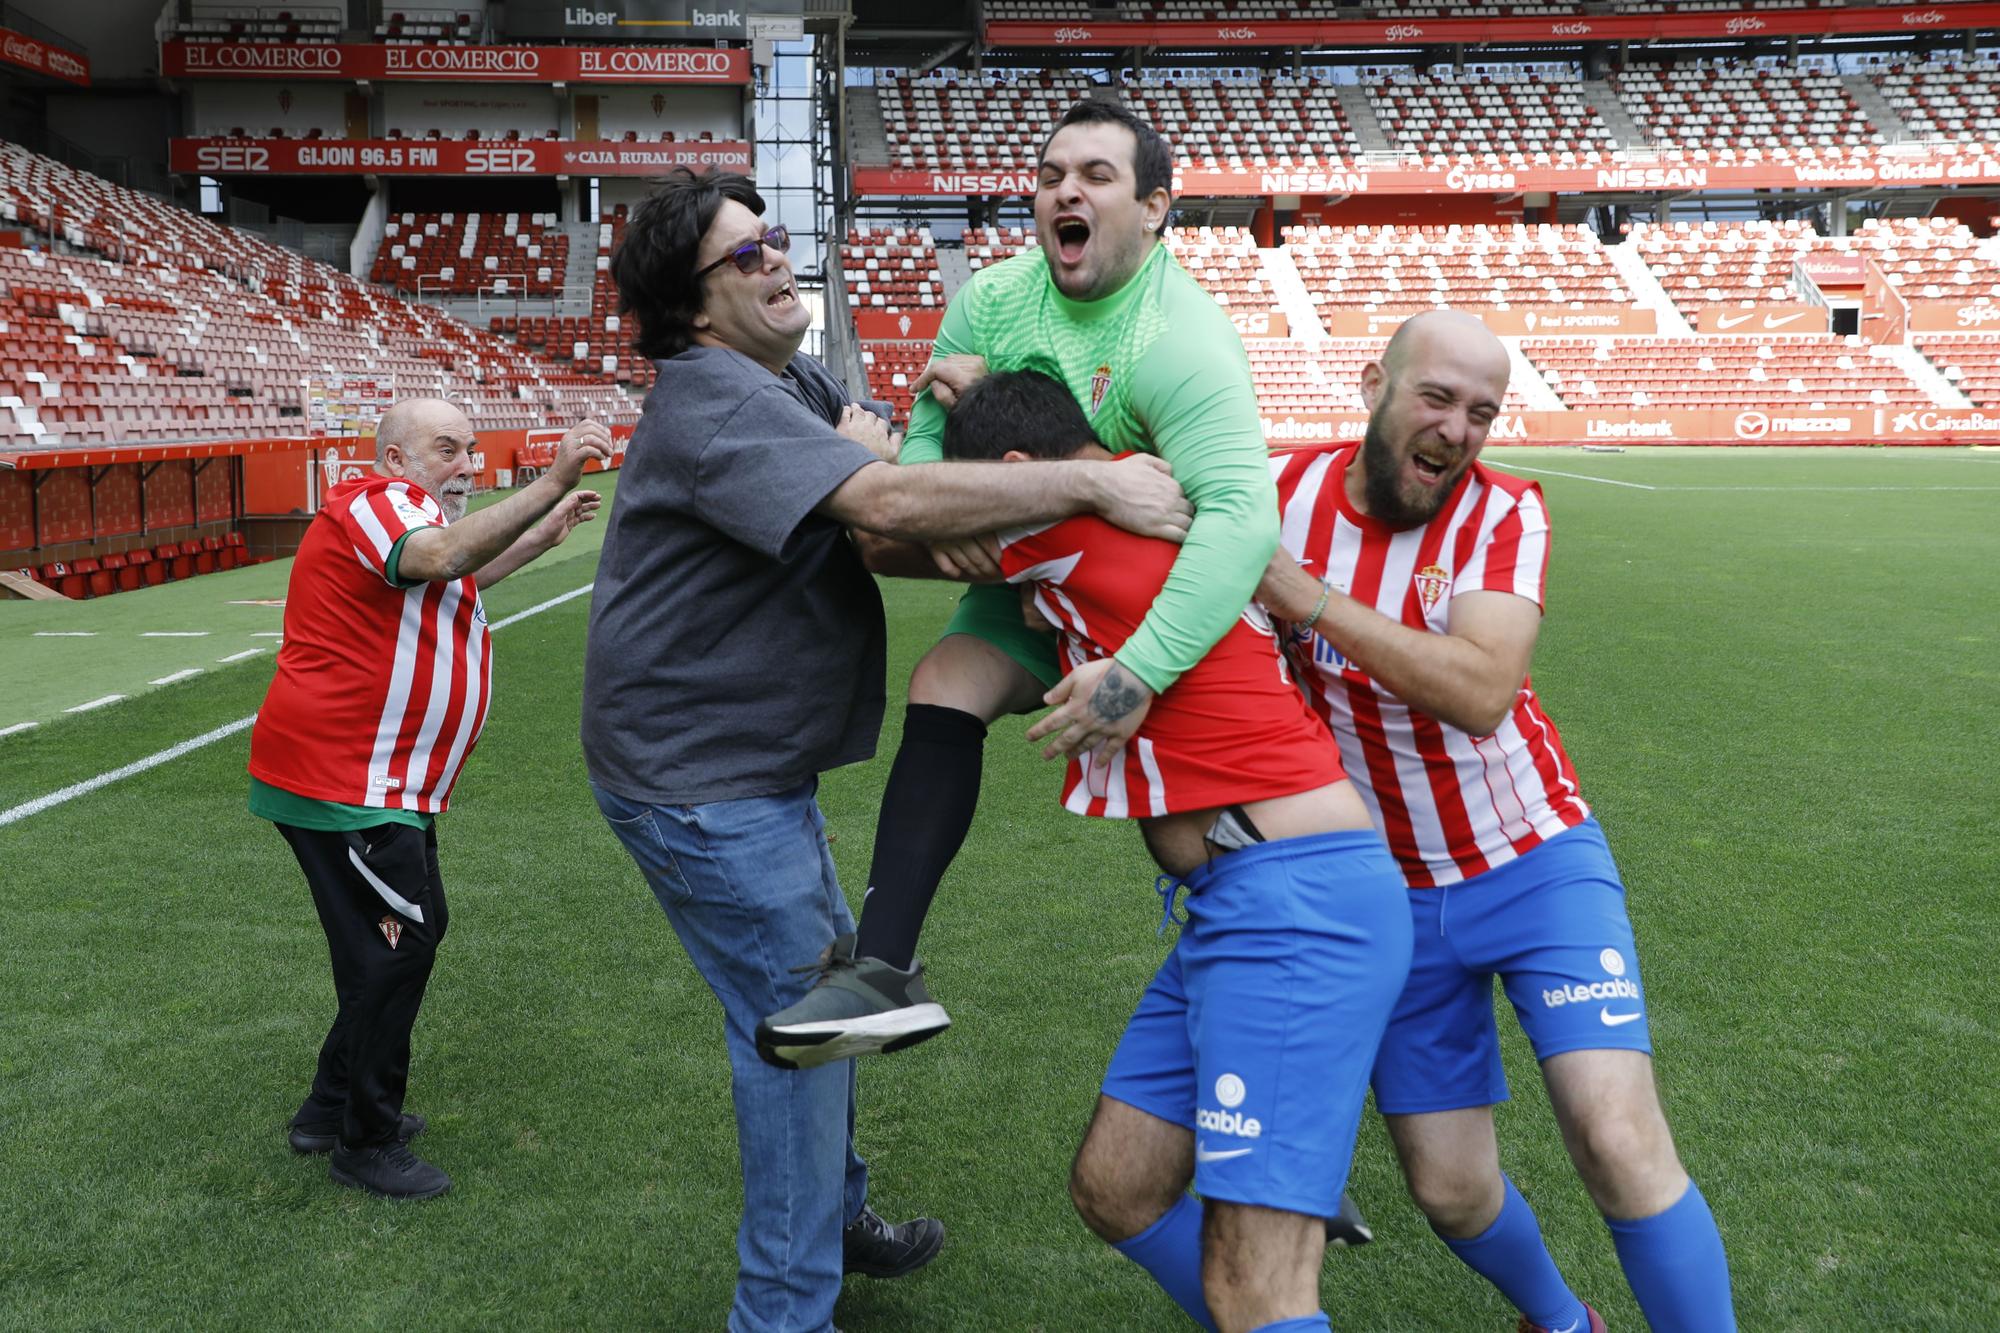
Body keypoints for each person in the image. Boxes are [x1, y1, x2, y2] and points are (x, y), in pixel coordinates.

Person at [579, 168, 1193, 1333]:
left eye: (770, 241)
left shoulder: (781, 377)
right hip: (698, 779)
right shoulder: (713, 393)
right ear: (692, 304)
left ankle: (834, 1219)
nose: (773, 261)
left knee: (824, 996)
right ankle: (784, 1311)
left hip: (742, 763)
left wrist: (942, 480)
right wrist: (1085, 482)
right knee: (807, 1030)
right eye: (743, 255)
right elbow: (888, 508)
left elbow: (885, 510)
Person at [760, 98, 1281, 1069]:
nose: (1064, 192)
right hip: (1031, 576)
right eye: (1049, 176)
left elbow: (1241, 522)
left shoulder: (1181, 339)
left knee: (1182, 837)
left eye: (1095, 176)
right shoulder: (991, 302)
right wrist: (958, 499)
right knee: (945, 678)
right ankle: (882, 973)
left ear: (1157, 207)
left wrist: (1137, 673)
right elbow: (913, 462)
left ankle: (1294, 996)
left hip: (1149, 602)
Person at [1256, 310, 1736, 1332]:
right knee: (1447, 1187)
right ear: (1371, 385)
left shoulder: (1501, 513)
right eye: (1434, 397)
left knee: (1614, 1136)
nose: (1457, 428)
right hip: (1387, 895)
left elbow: (1478, 689)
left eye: (1482, 410)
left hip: (1533, 864)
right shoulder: (1275, 496)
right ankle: (1563, 1323)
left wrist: (1311, 603)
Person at [929, 369, 1411, 1333]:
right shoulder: (1137, 503)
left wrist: (873, 438)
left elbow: (891, 529)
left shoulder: (1066, 517)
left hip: (1292, 904)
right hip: (1246, 897)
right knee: (1117, 1185)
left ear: (1022, 473)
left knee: (1256, 1281)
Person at [249, 397, 608, 1200]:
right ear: (396, 461)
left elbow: (455, 574)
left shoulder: (399, 519)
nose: (467, 466)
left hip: (381, 782)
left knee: (409, 935)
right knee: (397, 946)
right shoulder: (379, 503)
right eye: (447, 449)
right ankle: (363, 1138)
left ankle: (329, 1108)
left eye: (473, 450)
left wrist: (539, 535)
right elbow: (443, 557)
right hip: (346, 779)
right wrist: (550, 482)